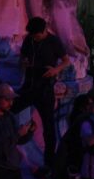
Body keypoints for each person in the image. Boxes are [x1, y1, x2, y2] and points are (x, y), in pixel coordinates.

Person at [19, 17, 70, 168]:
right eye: (33, 36)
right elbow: (22, 56)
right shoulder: (29, 40)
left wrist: (55, 70)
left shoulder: (53, 41)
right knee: (11, 109)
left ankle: (49, 163)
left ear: (44, 31)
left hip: (45, 88)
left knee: (48, 127)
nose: (35, 38)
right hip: (29, 85)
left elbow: (66, 60)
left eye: (37, 35)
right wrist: (24, 61)